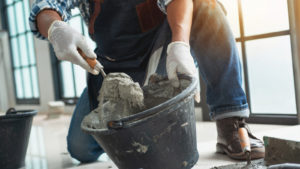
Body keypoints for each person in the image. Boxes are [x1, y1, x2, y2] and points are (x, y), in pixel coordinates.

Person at [29, 0, 265, 163]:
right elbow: (45, 6)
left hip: (160, 50)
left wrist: (179, 45)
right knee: (80, 148)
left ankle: (230, 123)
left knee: (205, 5)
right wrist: (55, 28)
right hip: (113, 66)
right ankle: (135, 115)